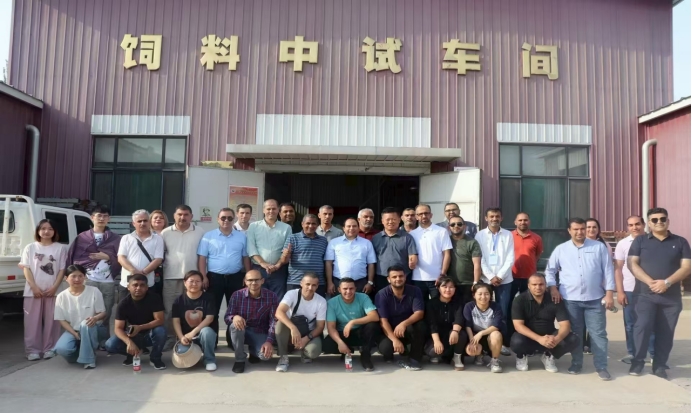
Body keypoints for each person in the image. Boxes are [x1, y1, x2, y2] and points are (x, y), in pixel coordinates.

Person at [545, 218, 615, 380]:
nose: (580, 232)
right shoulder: (561, 249)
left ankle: (601, 366)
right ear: (569, 231)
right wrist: (553, 288)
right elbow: (550, 270)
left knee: (598, 334)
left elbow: (608, 270)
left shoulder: (598, 247)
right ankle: (576, 363)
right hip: (571, 299)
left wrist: (609, 293)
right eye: (576, 229)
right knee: (575, 334)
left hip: (595, 299)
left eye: (582, 229)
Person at [628, 208, 691, 379]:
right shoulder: (640, 241)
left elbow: (687, 267)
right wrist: (651, 282)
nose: (659, 222)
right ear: (649, 223)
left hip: (671, 297)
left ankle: (659, 365)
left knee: (666, 332)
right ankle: (638, 362)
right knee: (642, 328)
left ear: (668, 221)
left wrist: (667, 282)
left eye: (663, 219)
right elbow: (632, 264)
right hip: (644, 295)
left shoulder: (680, 242)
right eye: (654, 220)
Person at [66, 205, 121, 349]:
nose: (102, 218)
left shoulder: (116, 238)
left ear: (109, 219)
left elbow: (121, 257)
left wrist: (108, 257)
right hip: (89, 280)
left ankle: (103, 341)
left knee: (106, 312)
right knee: (86, 311)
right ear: (92, 218)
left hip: (108, 281)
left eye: (105, 216)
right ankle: (85, 339)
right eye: (98, 215)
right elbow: (75, 257)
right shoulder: (82, 237)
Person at [198, 207, 251, 345]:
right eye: (223, 218)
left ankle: (233, 342)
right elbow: (202, 258)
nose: (226, 220)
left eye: (229, 218)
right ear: (218, 219)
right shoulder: (208, 236)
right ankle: (212, 342)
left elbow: (245, 257)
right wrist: (203, 276)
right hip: (214, 278)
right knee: (212, 310)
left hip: (235, 277)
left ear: (234, 219)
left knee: (235, 311)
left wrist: (247, 275)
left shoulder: (241, 237)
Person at [511, 274, 579, 373]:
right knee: (516, 342)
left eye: (541, 284)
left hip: (549, 338)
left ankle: (549, 355)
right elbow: (518, 326)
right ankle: (521, 356)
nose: (538, 287)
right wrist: (539, 339)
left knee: (573, 338)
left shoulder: (554, 299)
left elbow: (565, 325)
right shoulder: (520, 300)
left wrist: (556, 339)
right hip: (528, 338)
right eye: (534, 284)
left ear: (546, 285)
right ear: (528, 286)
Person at [21, 219, 67, 361]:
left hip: (53, 292)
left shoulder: (60, 248)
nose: (46, 231)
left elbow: (62, 270)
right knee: (31, 322)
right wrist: (34, 287)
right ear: (38, 231)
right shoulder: (30, 247)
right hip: (33, 292)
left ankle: (50, 348)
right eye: (43, 228)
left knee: (52, 322)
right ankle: (32, 350)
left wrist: (54, 287)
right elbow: (26, 268)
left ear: (55, 231)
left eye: (50, 229)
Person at [161, 205, 205, 349]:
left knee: (193, 310)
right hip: (171, 276)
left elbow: (203, 255)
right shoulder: (165, 232)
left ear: (191, 216)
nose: (182, 217)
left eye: (186, 214)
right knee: (170, 310)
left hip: (193, 278)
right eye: (179, 214)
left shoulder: (200, 232)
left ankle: (193, 337)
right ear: (174, 216)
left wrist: (203, 276)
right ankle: (170, 338)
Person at [615, 215, 655, 364]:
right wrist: (620, 291)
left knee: (650, 323)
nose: (634, 227)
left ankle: (654, 354)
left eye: (637, 224)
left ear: (644, 224)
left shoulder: (654, 242)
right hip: (629, 290)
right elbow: (618, 269)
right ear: (627, 227)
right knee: (630, 324)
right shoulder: (623, 244)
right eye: (631, 225)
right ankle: (633, 354)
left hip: (650, 289)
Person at [105, 274, 167, 370]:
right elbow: (118, 328)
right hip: (132, 335)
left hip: (149, 334)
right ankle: (132, 353)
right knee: (110, 345)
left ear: (147, 287)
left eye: (142, 285)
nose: (138, 288)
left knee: (161, 331)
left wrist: (140, 327)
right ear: (128, 287)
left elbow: (160, 320)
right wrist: (129, 342)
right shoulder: (123, 304)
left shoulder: (154, 298)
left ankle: (155, 358)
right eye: (135, 285)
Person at [474, 207, 514, 356]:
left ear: (501, 218)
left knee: (502, 311)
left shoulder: (508, 234)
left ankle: (500, 343)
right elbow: (480, 258)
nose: (494, 219)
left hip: (505, 280)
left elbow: (510, 257)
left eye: (497, 216)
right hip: (486, 279)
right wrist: (491, 276)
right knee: (485, 311)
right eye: (491, 216)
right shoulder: (480, 235)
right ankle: (485, 342)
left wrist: (500, 276)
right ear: (486, 218)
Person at [54, 265, 108, 369]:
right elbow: (61, 319)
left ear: (85, 277)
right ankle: (83, 352)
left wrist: (95, 318)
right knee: (62, 349)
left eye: (80, 276)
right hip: (73, 330)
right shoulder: (61, 296)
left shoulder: (94, 291)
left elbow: (103, 313)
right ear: (66, 278)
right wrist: (74, 333)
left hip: (93, 329)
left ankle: (89, 360)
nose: (77, 279)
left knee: (85, 324)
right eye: (73, 276)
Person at [225, 270, 279, 373]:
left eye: (256, 280)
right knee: (235, 325)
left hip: (259, 331)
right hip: (241, 330)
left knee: (265, 356)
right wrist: (234, 317)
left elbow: (273, 321)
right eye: (250, 280)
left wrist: (269, 341)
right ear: (245, 281)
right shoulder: (237, 295)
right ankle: (240, 359)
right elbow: (227, 317)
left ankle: (254, 351)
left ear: (262, 281)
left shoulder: (271, 296)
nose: (253, 283)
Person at [323, 277, 381, 371]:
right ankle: (346, 350)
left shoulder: (363, 297)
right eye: (345, 289)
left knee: (373, 326)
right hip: (343, 333)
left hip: (360, 331)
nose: (348, 291)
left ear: (355, 288)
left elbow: (375, 316)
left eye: (351, 288)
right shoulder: (332, 303)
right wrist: (340, 342)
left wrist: (353, 322)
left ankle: (365, 355)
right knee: (326, 345)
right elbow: (331, 327)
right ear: (339, 290)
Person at [375, 265, 426, 371]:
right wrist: (394, 340)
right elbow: (383, 321)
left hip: (407, 328)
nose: (398, 279)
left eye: (400, 276)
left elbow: (419, 313)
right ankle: (392, 352)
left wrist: (404, 324)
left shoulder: (415, 290)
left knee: (420, 325)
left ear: (405, 277)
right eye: (394, 277)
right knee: (386, 348)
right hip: (389, 330)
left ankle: (414, 358)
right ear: (388, 279)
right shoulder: (382, 294)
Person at [274, 273, 327, 372]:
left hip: (308, 331)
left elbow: (320, 327)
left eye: (314, 285)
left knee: (313, 352)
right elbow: (279, 312)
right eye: (307, 284)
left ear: (317, 286)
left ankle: (304, 351)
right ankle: (283, 357)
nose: (310, 288)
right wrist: (293, 328)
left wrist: (306, 338)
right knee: (280, 324)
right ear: (301, 283)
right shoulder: (292, 294)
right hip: (291, 330)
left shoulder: (321, 301)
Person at [507, 212, 543, 345]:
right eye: (520, 220)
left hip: (529, 279)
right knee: (509, 307)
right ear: (515, 222)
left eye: (525, 220)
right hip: (511, 277)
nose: (523, 222)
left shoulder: (536, 238)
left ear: (529, 222)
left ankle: (528, 338)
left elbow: (537, 255)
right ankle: (509, 337)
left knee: (529, 309)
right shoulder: (508, 236)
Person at [171, 270, 217, 371]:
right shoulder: (178, 301)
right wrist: (181, 337)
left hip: (202, 336)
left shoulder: (208, 298)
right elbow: (176, 321)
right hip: (186, 338)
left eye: (197, 281)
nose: (194, 284)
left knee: (207, 331)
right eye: (191, 281)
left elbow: (209, 318)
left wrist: (192, 333)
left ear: (202, 283)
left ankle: (209, 360)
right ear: (185, 283)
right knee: (183, 357)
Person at [247, 199, 293, 299]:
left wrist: (278, 265)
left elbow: (286, 249)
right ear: (263, 210)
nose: (271, 211)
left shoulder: (286, 228)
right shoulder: (253, 226)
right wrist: (263, 263)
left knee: (278, 298)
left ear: (278, 210)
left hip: (279, 270)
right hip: (259, 268)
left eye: (274, 209)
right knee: (258, 297)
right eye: (268, 209)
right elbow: (251, 247)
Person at [410, 204, 452, 303]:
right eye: (420, 214)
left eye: (426, 213)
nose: (424, 216)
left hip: (437, 278)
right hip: (417, 277)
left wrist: (442, 274)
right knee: (420, 306)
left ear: (431, 215)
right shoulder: (412, 234)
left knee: (438, 306)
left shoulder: (441, 231)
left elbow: (447, 254)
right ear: (416, 217)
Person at [424, 277, 468, 371]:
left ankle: (456, 357)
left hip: (452, 336)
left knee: (461, 334)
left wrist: (455, 331)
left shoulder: (459, 303)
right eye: (444, 286)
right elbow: (432, 324)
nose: (448, 290)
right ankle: (442, 354)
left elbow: (459, 319)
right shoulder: (431, 303)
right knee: (432, 351)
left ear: (455, 289)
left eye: (451, 287)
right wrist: (436, 341)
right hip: (437, 336)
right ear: (438, 288)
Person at [325, 218, 377, 296]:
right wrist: (330, 282)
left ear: (358, 228)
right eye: (348, 226)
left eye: (354, 226)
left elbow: (371, 264)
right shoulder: (334, 242)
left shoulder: (367, 243)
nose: (351, 228)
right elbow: (328, 263)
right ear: (343, 228)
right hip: (338, 282)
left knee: (360, 303)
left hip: (360, 283)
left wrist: (370, 282)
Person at [280, 214, 329, 297]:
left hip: (317, 282)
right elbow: (283, 261)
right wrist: (286, 255)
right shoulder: (292, 238)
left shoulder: (323, 240)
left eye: (313, 224)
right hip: (296, 281)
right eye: (308, 223)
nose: (311, 226)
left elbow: (326, 261)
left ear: (317, 225)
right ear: (302, 224)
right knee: (294, 304)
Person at [371, 208, 418, 293]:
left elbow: (413, 255)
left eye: (393, 219)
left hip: (402, 277)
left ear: (399, 220)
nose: (390, 222)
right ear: (382, 221)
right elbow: (372, 260)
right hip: (382, 277)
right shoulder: (375, 238)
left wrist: (413, 261)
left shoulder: (407, 237)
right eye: (388, 219)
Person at [117, 210, 164, 293]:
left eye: (145, 220)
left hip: (148, 283)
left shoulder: (158, 239)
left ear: (149, 222)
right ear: (133, 223)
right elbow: (121, 258)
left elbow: (158, 259)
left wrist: (143, 273)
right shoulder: (126, 238)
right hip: (127, 284)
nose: (142, 223)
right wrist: (133, 271)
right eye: (139, 221)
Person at [463, 283, 504, 373]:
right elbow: (467, 325)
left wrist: (481, 333)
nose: (483, 297)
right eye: (480, 294)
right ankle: (479, 355)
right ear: (474, 295)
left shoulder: (496, 307)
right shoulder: (469, 306)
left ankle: (494, 361)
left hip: (489, 335)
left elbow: (496, 326)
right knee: (471, 351)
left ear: (490, 295)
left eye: (486, 294)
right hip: (474, 335)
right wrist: (472, 341)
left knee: (496, 334)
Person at [583, 217, 610, 354]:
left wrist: (608, 290)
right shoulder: (576, 244)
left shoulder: (604, 246)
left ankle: (592, 345)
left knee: (595, 320)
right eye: (588, 227)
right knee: (580, 320)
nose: (591, 229)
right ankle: (581, 345)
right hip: (579, 290)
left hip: (599, 290)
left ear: (598, 229)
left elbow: (608, 268)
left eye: (594, 227)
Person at [446, 216, 482, 304]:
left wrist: (475, 283)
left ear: (464, 226)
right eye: (453, 224)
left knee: (468, 309)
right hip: (450, 284)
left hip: (468, 283)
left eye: (459, 224)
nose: (456, 226)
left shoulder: (472, 242)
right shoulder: (446, 241)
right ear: (449, 227)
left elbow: (477, 264)